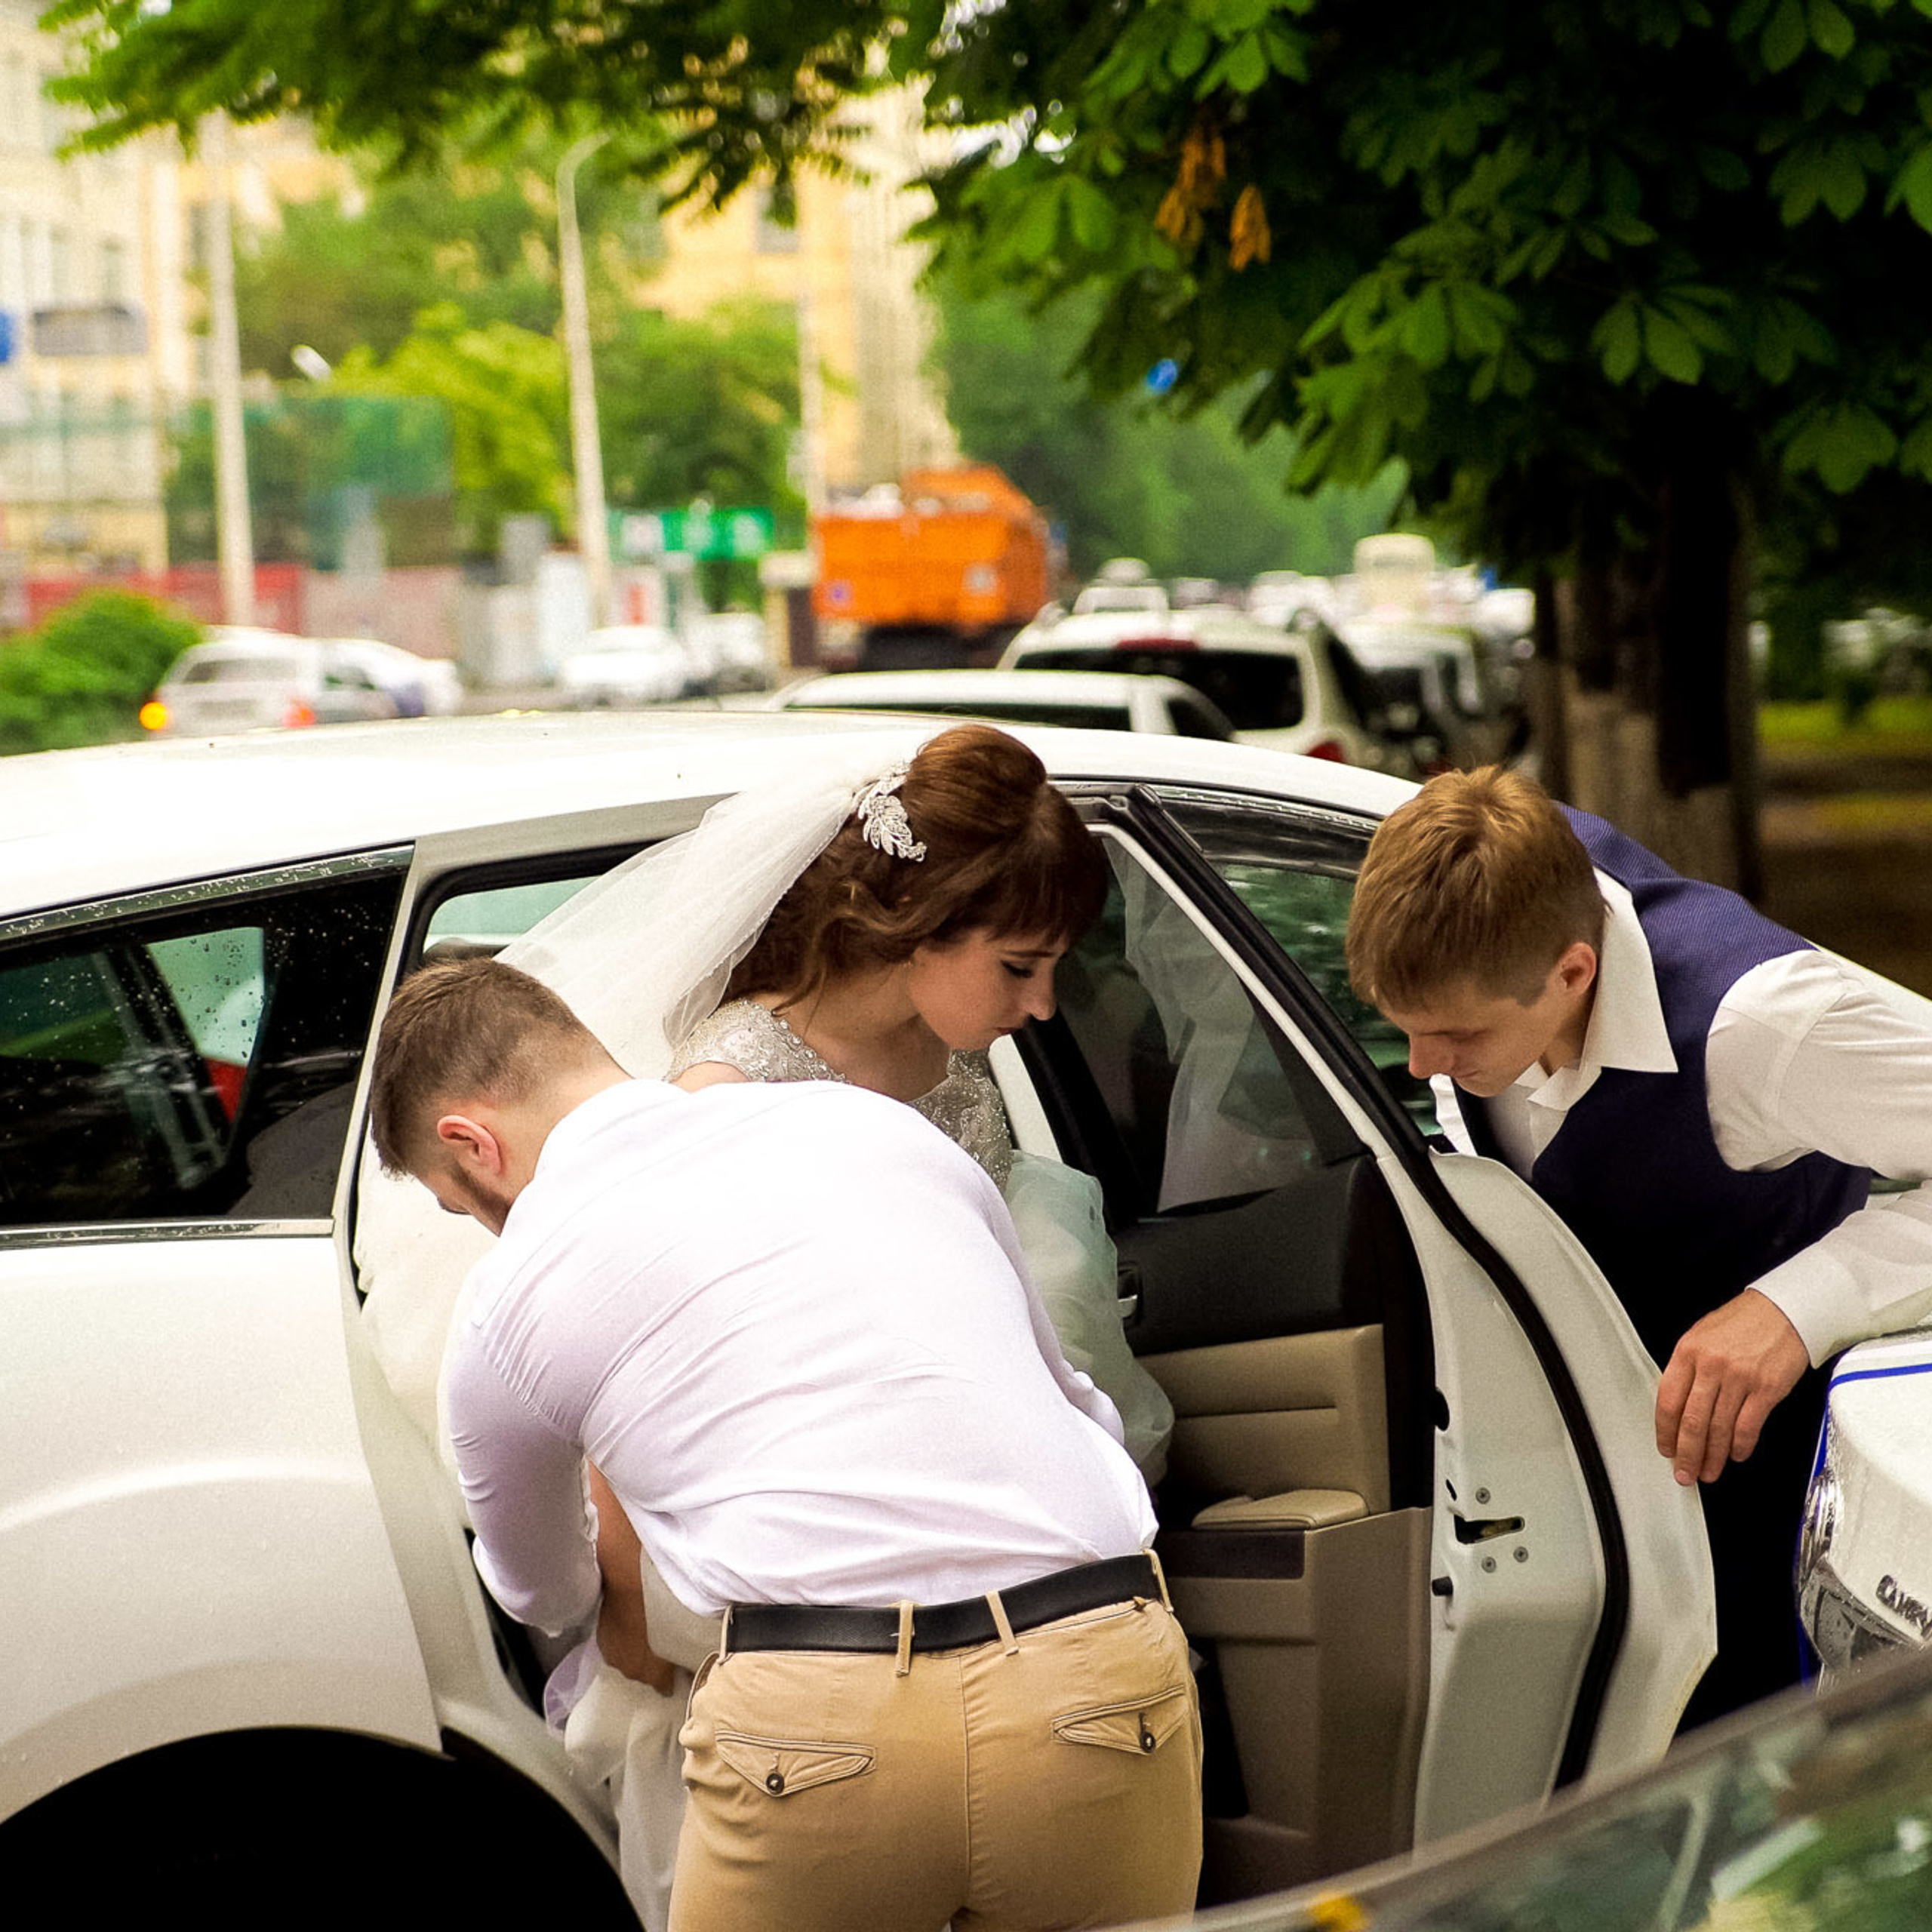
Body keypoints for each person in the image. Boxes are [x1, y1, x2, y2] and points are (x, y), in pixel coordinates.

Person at [368, 958, 1202, 1932]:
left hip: (824, 1726)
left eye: (456, 1198)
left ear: (471, 1141)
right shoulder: (885, 1132)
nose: (475, 1224)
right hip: (1102, 1663)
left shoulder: (507, 1300)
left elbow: (545, 1591)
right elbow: (1070, 1399)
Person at [1346, 764, 1932, 1723]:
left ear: (1573, 971)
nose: (1420, 1067)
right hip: (1591, 1507)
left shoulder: (1762, 1024)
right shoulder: (1486, 888)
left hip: (1763, 1517)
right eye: (1401, 1030)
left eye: (1454, 1035)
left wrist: (1794, 1305)